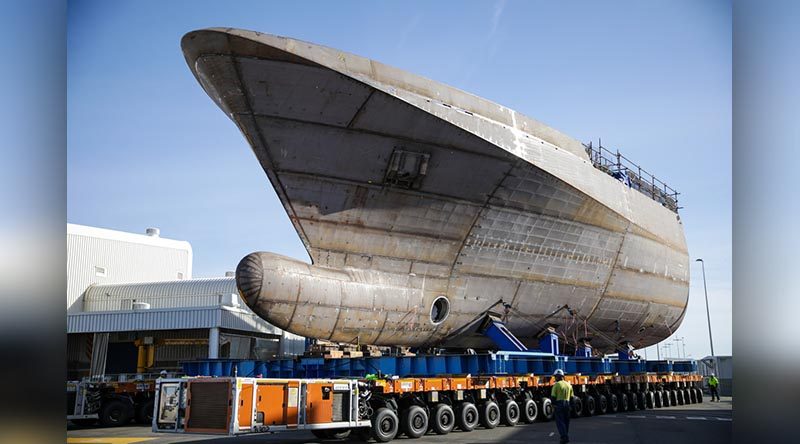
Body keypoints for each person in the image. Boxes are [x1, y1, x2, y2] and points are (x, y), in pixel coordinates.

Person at [551, 369, 573, 444]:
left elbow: (553, 397)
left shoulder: (556, 385)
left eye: (555, 377)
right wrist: (571, 406)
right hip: (567, 403)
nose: (555, 378)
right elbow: (572, 397)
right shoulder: (569, 385)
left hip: (559, 404)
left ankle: (564, 437)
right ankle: (565, 435)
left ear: (557, 377)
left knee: (560, 422)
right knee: (566, 422)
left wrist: (554, 405)